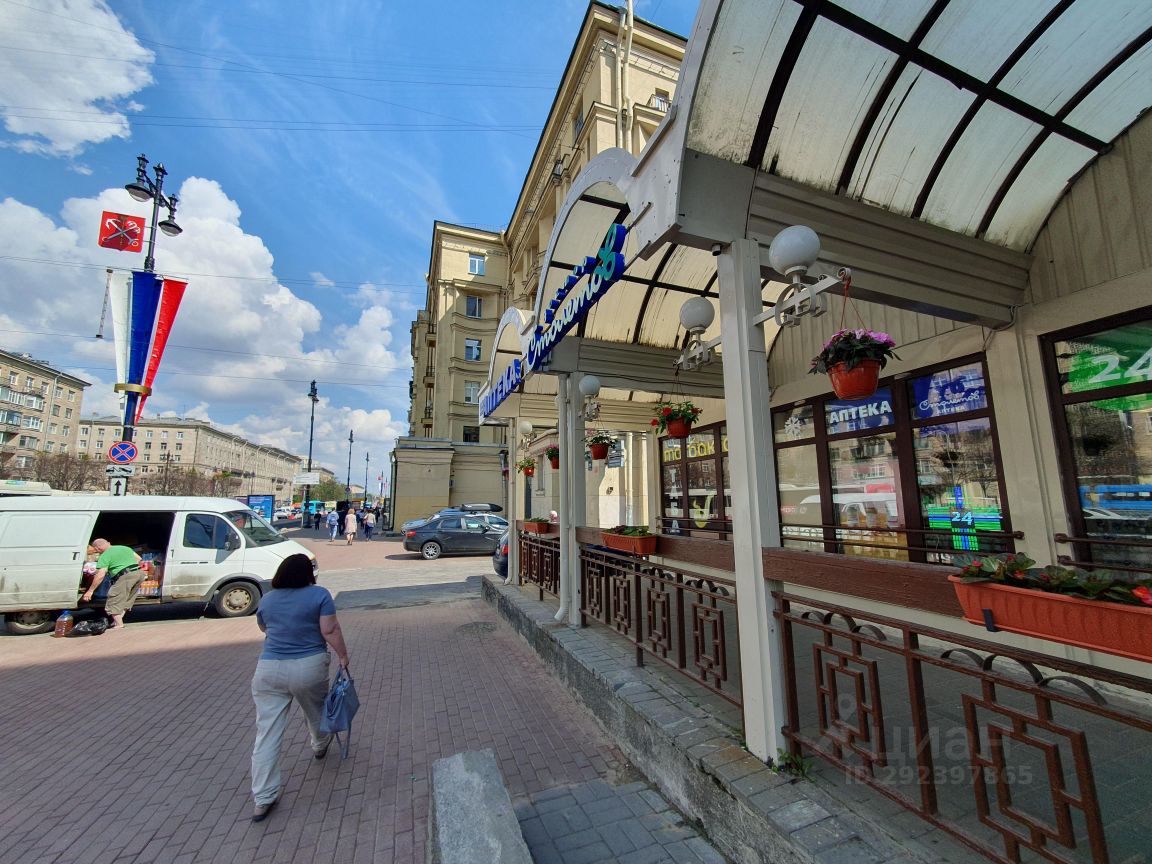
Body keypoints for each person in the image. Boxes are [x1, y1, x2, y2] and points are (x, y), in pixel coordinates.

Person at [249, 553, 350, 823]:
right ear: (308, 574)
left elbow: (264, 627)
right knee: (315, 710)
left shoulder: (268, 599)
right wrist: (343, 655)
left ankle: (263, 797)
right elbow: (329, 630)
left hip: (268, 669)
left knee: (267, 733)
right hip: (308, 664)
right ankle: (320, 743)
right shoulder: (319, 595)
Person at [80, 538, 145, 630]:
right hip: (139, 574)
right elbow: (139, 559)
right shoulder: (124, 548)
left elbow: (100, 575)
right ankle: (116, 622)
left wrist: (90, 591)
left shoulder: (104, 555)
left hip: (125, 576)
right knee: (126, 599)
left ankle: (119, 624)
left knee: (113, 599)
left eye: (96, 550)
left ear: (98, 548)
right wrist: (126, 565)